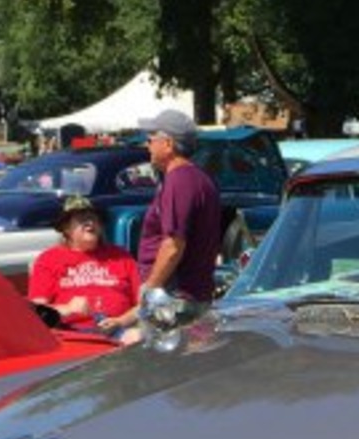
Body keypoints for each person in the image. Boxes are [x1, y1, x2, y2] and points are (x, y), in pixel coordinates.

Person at [135, 109, 221, 313]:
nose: (147, 145)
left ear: (168, 144)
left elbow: (173, 244)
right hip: (191, 296)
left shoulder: (178, 180)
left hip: (175, 298)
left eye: (151, 139)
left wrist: (151, 288)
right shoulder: (200, 178)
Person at [28, 196, 142, 340]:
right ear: (66, 228)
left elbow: (143, 305)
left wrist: (120, 321)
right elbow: (36, 312)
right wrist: (67, 309)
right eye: (82, 219)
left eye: (93, 218)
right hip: (70, 335)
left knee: (138, 337)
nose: (89, 223)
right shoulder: (49, 259)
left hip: (119, 332)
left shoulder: (121, 257)